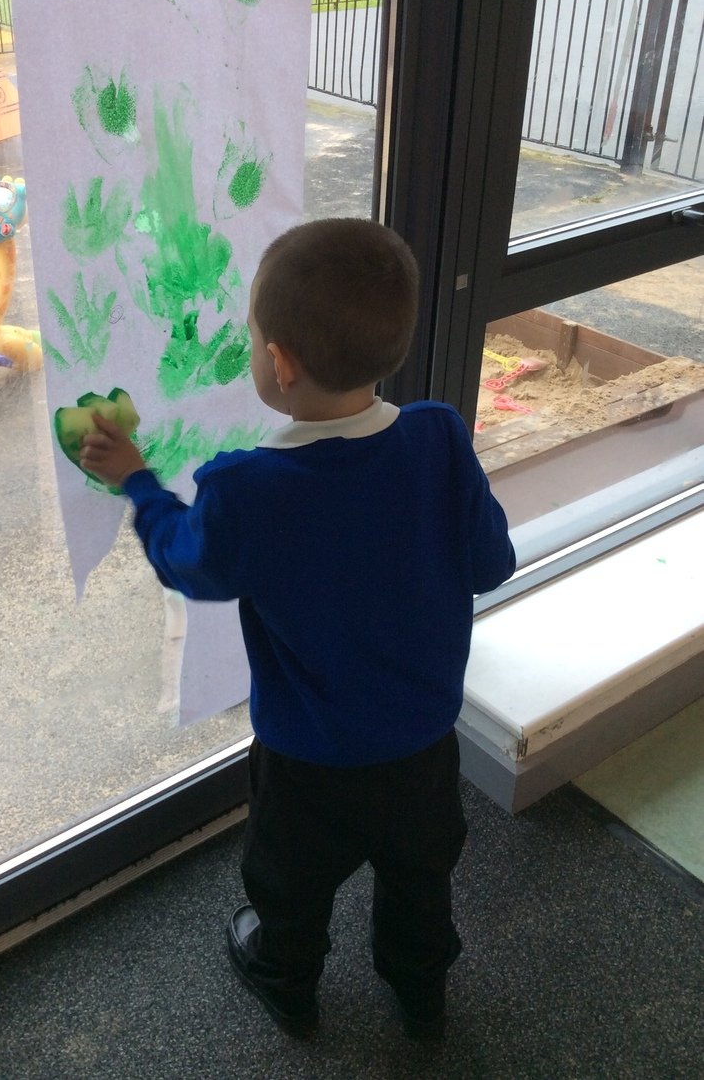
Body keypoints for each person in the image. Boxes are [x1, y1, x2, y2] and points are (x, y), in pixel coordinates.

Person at [80, 217, 516, 1041]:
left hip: (309, 762)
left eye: (251, 338)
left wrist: (140, 482)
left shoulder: (251, 487)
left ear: (278, 362)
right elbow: (491, 561)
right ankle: (422, 990)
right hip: (424, 747)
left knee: (288, 882)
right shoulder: (440, 438)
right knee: (422, 878)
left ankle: (287, 981)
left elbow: (189, 563)